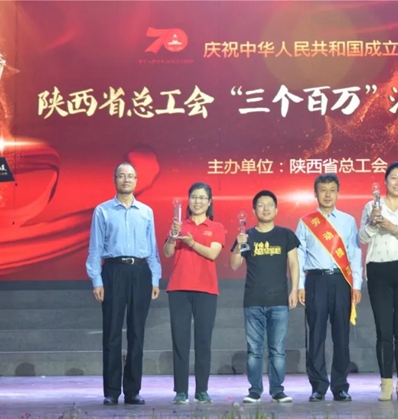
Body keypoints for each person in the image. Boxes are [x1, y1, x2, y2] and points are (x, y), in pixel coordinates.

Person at [86, 162, 161, 406]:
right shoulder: (103, 211)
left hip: (140, 271)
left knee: (137, 333)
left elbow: (152, 248)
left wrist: (155, 277)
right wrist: (97, 279)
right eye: (121, 176)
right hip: (113, 271)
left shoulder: (146, 212)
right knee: (112, 333)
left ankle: (132, 391)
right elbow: (95, 248)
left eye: (130, 176)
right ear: (115, 179)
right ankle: (111, 391)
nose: (126, 180)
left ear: (136, 181)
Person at [359, 161, 398, 401]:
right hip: (378, 268)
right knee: (384, 330)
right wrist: (372, 224)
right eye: (393, 178)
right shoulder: (371, 206)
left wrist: (392, 227)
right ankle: (386, 383)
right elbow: (362, 238)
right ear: (385, 181)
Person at [229, 190, 300, 404]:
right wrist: (239, 245)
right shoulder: (247, 235)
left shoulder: (285, 234)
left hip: (279, 300)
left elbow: (294, 263)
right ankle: (255, 390)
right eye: (261, 205)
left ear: (276, 209)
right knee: (254, 350)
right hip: (253, 300)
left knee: (278, 350)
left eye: (270, 204)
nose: (266, 208)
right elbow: (234, 265)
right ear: (254, 210)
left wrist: (294, 289)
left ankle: (277, 390)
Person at [296, 173, 362, 402]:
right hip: (316, 281)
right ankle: (318, 386)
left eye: (332, 190)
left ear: (338, 193)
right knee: (316, 335)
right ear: (315, 193)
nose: (327, 194)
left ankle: (340, 386)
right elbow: (299, 255)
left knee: (341, 335)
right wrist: (300, 285)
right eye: (323, 190)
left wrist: (356, 285)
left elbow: (355, 254)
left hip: (341, 281)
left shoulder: (348, 221)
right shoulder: (306, 221)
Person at [163, 182, 225, 404]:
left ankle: (202, 390)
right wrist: (173, 236)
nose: (197, 201)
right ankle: (181, 391)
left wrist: (191, 242)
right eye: (194, 197)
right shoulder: (180, 224)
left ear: (209, 202)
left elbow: (212, 253)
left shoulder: (216, 227)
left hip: (206, 290)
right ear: (188, 200)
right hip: (179, 288)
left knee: (203, 341)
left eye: (202, 197)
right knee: (180, 341)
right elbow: (167, 252)